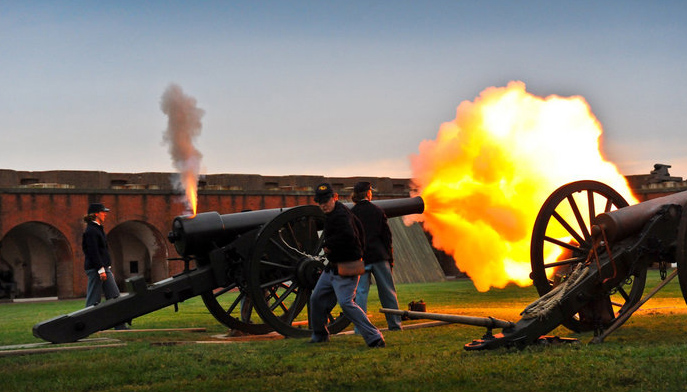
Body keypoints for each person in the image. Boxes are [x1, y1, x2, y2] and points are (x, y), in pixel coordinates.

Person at [309, 183, 385, 348]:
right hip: (333, 267)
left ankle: (375, 337)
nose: (323, 204)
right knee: (316, 298)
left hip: (347, 266)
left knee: (346, 303)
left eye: (327, 200)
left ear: (335, 197)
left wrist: (329, 245)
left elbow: (350, 237)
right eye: (320, 201)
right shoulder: (336, 213)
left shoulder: (341, 216)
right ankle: (320, 335)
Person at [351, 181, 402, 331]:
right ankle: (395, 324)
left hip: (361, 258)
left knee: (360, 294)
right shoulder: (377, 211)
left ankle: (360, 328)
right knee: (388, 292)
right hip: (379, 257)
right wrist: (390, 258)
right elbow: (387, 237)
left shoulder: (352, 214)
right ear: (368, 193)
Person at [83, 202, 128, 330]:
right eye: (103, 212)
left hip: (102, 268)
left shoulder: (96, 229)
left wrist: (107, 268)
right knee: (93, 300)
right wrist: (101, 270)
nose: (105, 214)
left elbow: (101, 252)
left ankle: (120, 326)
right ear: (96, 214)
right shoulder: (91, 231)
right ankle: (86, 326)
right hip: (97, 269)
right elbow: (93, 252)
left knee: (114, 297)